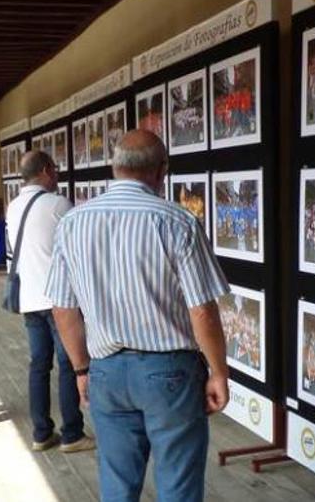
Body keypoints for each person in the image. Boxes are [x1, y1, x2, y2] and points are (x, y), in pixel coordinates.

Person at [46, 130, 230, 502]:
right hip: (171, 372)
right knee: (178, 481)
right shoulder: (177, 222)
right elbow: (202, 309)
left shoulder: (72, 223)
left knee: (117, 483)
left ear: (115, 167)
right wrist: (219, 372)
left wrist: (82, 369)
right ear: (161, 170)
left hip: (107, 371)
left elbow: (62, 308)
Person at [7, 150, 94, 453]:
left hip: (29, 299)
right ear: (45, 171)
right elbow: (76, 250)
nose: (57, 174)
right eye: (55, 169)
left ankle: (42, 433)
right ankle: (72, 434)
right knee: (69, 364)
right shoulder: (59, 204)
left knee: (38, 366)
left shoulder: (13, 206)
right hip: (60, 300)